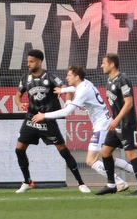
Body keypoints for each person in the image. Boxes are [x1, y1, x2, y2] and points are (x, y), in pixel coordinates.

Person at [32, 65, 135, 191]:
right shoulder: (85, 84)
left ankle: (119, 182)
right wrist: (63, 91)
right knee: (109, 158)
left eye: (69, 75)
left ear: (77, 76)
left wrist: (44, 115)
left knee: (91, 160)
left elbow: (66, 112)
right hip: (103, 123)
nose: (66, 77)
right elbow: (72, 88)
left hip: (102, 126)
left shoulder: (82, 91)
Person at [14, 49, 89, 193]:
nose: (28, 64)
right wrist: (19, 103)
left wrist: (67, 102)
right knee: (19, 149)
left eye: (31, 61)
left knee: (62, 149)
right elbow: (18, 95)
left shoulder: (50, 77)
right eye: (27, 61)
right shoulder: (25, 78)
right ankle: (27, 181)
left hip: (47, 119)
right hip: (31, 119)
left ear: (39, 62)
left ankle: (80, 183)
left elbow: (65, 89)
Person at [95, 53, 137, 196]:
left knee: (131, 154)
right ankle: (112, 184)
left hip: (126, 124)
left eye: (104, 63)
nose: (102, 65)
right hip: (116, 124)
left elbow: (129, 103)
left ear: (112, 64)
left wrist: (116, 120)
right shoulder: (109, 80)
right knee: (105, 152)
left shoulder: (123, 80)